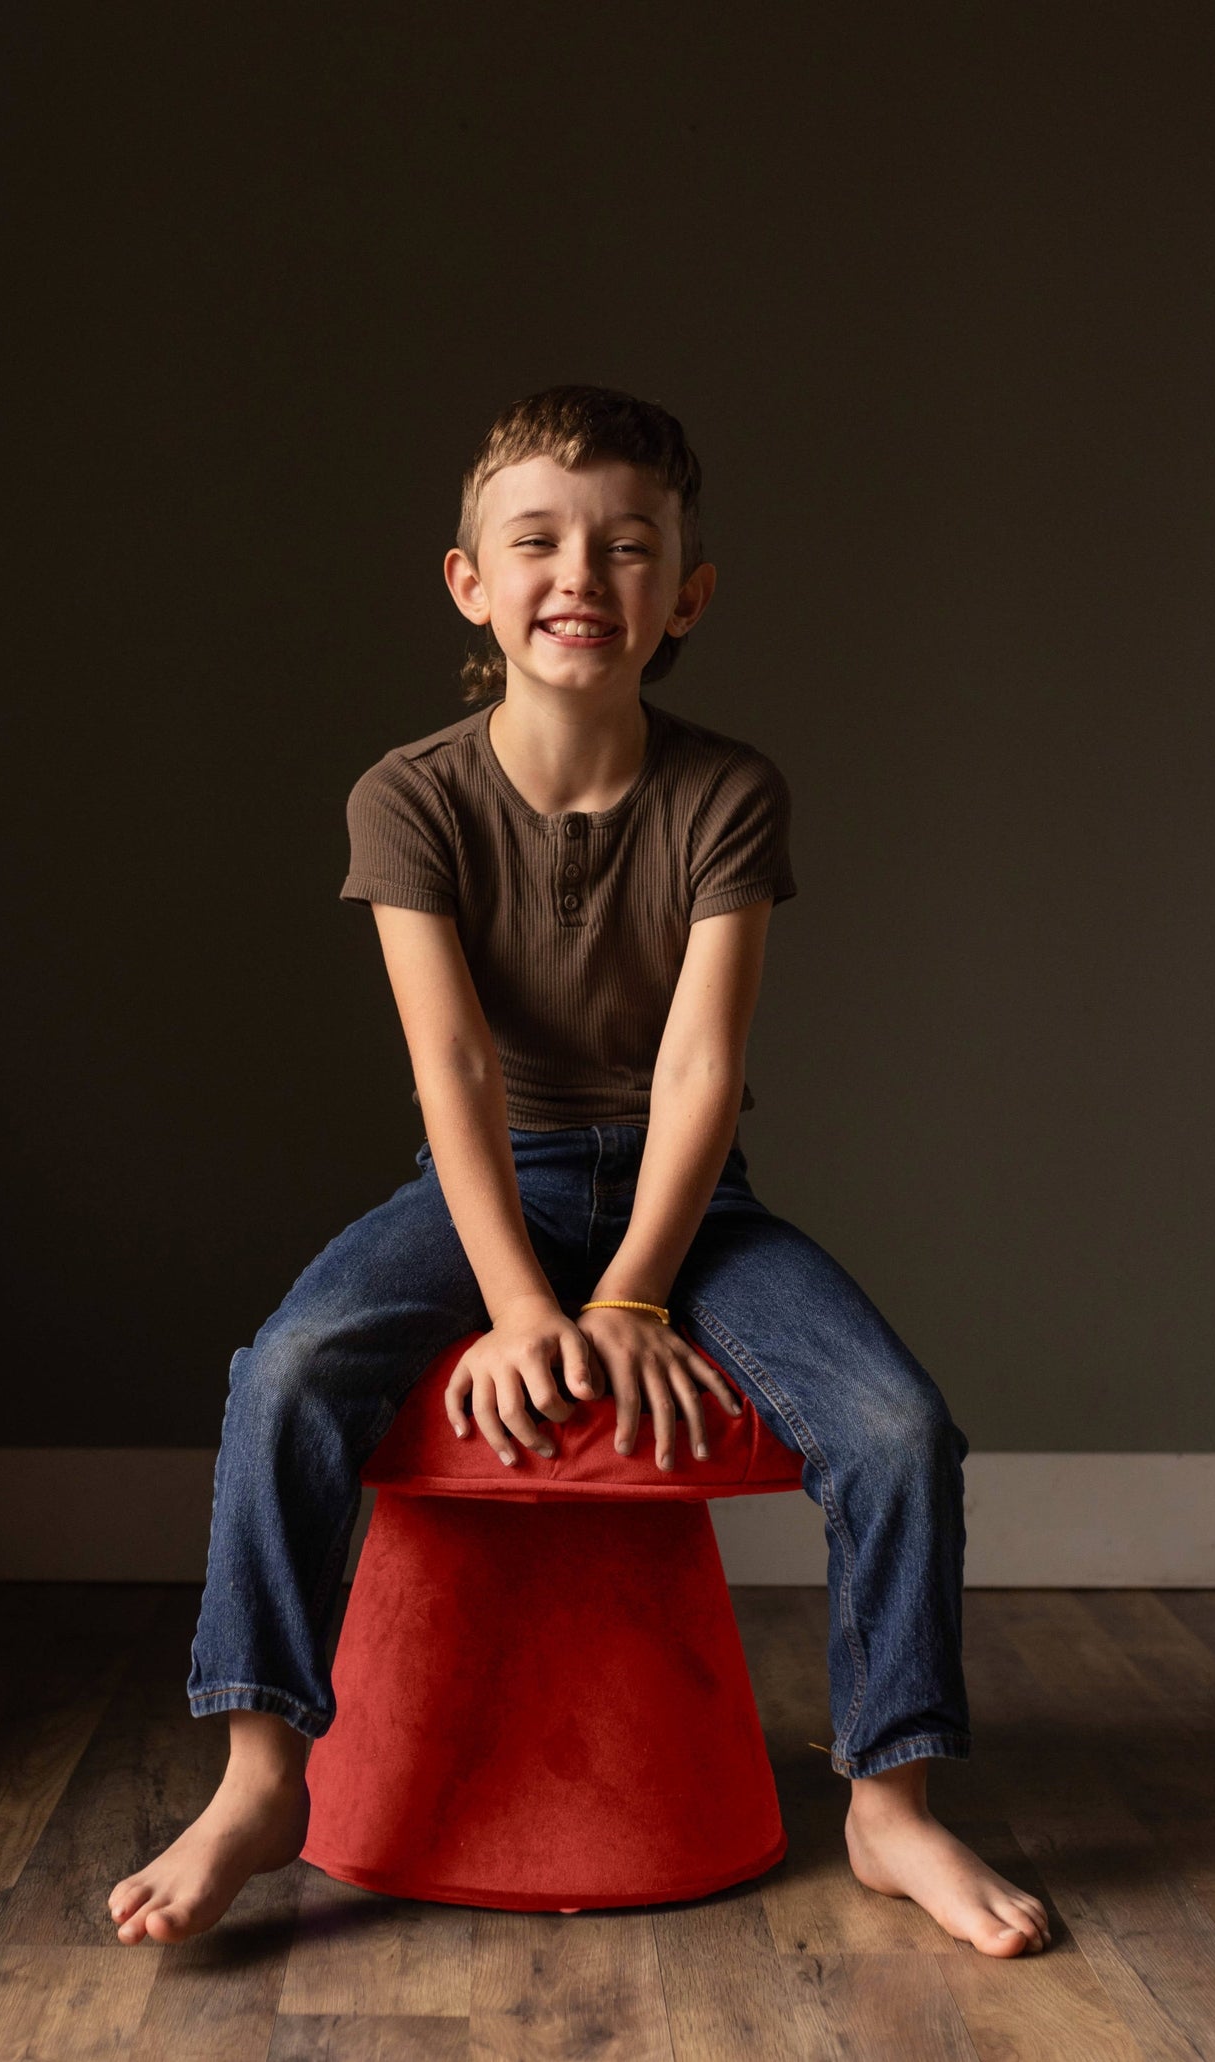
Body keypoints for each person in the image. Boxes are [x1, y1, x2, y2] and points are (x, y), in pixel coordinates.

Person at [109, 385, 1051, 1956]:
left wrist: (628, 1291)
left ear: (684, 593)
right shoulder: (408, 795)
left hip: (692, 1206)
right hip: (491, 1180)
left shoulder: (727, 792)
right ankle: (260, 1769)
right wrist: (518, 1301)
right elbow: (456, 1070)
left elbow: (696, 1071)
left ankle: (891, 1806)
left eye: (627, 546)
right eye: (535, 540)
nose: (580, 573)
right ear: (468, 583)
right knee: (285, 1372)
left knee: (897, 1427)